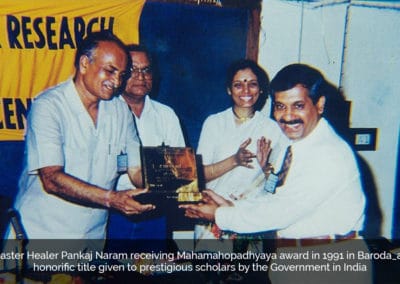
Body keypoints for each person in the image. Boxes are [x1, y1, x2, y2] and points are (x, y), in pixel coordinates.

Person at [181, 63, 371, 284]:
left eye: (298, 105)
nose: (288, 116)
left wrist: (220, 214)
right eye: (280, 106)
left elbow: (280, 210)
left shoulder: (327, 154)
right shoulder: (296, 145)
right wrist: (229, 207)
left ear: (319, 105)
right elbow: (276, 198)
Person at [4, 32, 155, 246]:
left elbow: (136, 169)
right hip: (40, 236)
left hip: (90, 242)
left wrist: (167, 189)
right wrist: (111, 199)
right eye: (110, 71)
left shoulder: (120, 111)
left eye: (121, 75)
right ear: (84, 64)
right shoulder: (49, 106)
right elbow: (51, 179)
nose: (116, 81)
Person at [194, 59, 287, 241]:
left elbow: (275, 188)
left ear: (261, 90)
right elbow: (198, 175)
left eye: (252, 84)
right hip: (213, 215)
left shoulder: (273, 129)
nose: (246, 91)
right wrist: (234, 161)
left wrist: (265, 167)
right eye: (238, 85)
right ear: (229, 89)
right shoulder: (214, 123)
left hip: (250, 219)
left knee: (247, 269)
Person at [107, 44, 185, 242]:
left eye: (146, 70)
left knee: (150, 270)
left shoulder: (166, 115)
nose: (141, 77)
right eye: (133, 70)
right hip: (112, 211)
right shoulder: (105, 113)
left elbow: (181, 170)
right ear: (121, 74)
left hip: (155, 212)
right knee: (111, 271)